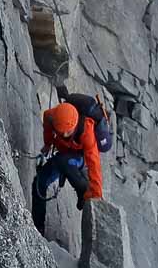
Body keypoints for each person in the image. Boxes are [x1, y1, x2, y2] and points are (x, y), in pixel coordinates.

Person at [32, 98, 105, 234]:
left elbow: (94, 163)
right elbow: (47, 121)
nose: (64, 135)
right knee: (39, 182)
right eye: (61, 132)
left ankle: (83, 190)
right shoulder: (53, 116)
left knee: (63, 161)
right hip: (64, 153)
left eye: (68, 132)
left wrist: (96, 193)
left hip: (79, 157)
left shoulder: (86, 132)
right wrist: (48, 144)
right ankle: (37, 228)